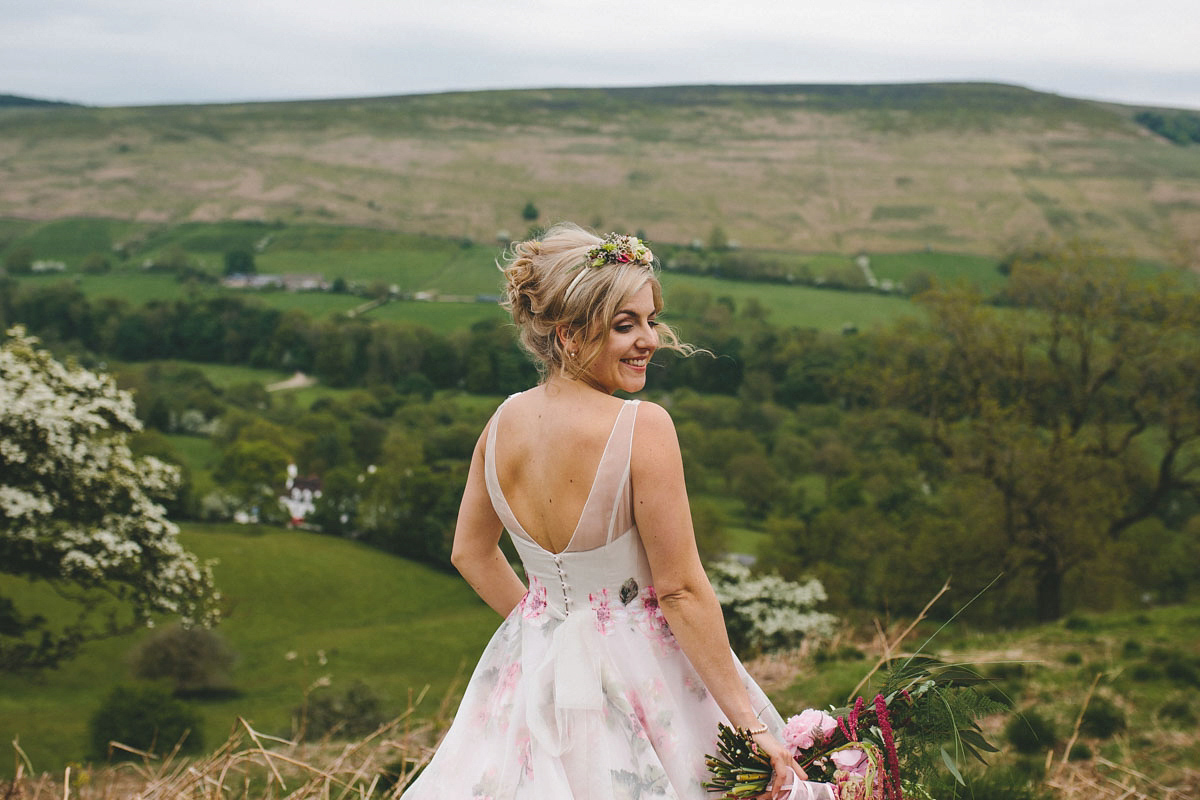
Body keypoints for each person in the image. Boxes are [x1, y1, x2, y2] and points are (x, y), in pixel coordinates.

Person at [401, 224, 832, 800]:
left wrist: (548, 632)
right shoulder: (642, 427)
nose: (649, 340)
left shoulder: (500, 424)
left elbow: (470, 553)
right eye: (625, 325)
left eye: (651, 319)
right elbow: (679, 589)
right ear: (569, 335)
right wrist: (750, 726)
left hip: (534, 674)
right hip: (644, 670)